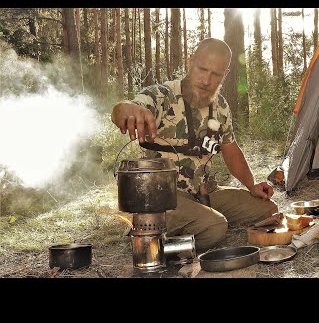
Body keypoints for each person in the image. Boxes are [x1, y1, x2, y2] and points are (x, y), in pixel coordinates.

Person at [111, 38, 278, 250]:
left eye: (216, 74)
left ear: (225, 75)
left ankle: (198, 219)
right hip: (163, 199)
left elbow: (231, 150)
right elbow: (123, 109)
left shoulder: (221, 107)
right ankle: (149, 243)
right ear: (191, 62)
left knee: (267, 209)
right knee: (216, 226)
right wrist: (127, 110)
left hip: (205, 194)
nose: (207, 80)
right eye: (202, 69)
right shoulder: (163, 95)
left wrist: (251, 185)